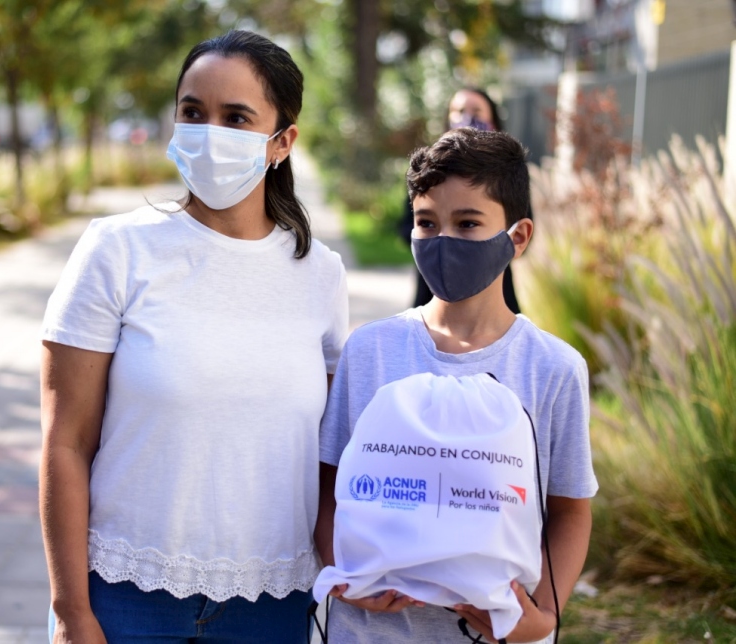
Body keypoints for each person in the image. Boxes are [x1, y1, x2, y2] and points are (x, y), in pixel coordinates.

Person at [39, 30, 348, 644]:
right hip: (124, 597)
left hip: (273, 602)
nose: (210, 132)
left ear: (281, 142)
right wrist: (72, 612)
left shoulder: (320, 275)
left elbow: (329, 459)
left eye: (236, 118)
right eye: (193, 112)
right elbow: (65, 442)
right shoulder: (117, 249)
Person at [315, 128, 596, 643]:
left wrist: (544, 616)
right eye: (427, 222)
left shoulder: (552, 368)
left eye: (467, 223)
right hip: (370, 632)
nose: (443, 239)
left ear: (518, 237)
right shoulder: (371, 350)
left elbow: (570, 511)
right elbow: (329, 488)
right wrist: (346, 576)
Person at [400, 87, 522, 314]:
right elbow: (406, 223)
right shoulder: (426, 168)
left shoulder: (508, 175)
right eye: (460, 110)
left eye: (467, 223)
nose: (447, 238)